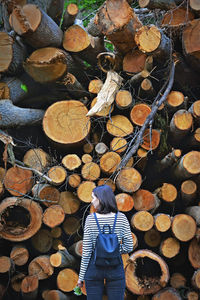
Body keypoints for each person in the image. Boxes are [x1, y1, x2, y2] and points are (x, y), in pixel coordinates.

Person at [77, 184, 133, 300]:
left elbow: (87, 251)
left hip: (94, 268)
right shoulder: (121, 218)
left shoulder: (91, 219)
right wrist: (114, 250)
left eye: (93, 198)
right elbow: (128, 246)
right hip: (115, 268)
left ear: (101, 199)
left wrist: (81, 277)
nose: (92, 201)